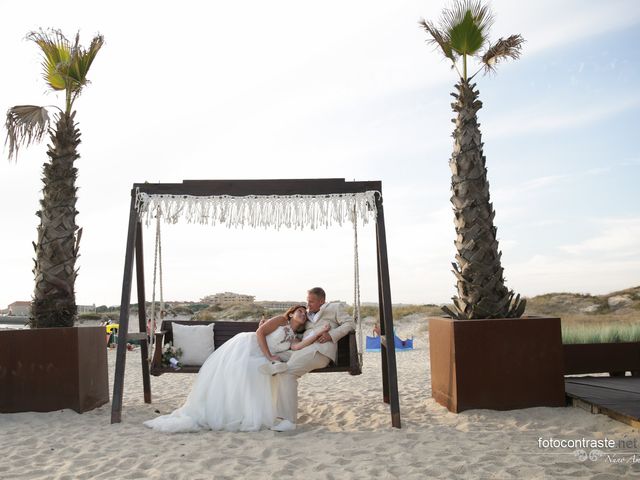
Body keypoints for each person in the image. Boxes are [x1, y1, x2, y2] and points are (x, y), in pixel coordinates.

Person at [143, 305, 328, 433]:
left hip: (261, 354)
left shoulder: (294, 337)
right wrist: (269, 356)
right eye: (299, 311)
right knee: (248, 367)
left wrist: (319, 332)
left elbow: (298, 346)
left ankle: (243, 412)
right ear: (291, 314)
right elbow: (260, 333)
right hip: (249, 345)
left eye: (305, 313)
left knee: (259, 370)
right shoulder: (281, 320)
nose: (302, 314)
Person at [260, 287, 354, 432]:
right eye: (307, 301)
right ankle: (276, 366)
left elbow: (350, 324)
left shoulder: (335, 307)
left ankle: (289, 421)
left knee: (287, 373)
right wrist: (267, 325)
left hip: (319, 351)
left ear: (322, 301)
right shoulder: (306, 315)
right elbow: (291, 330)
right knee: (265, 360)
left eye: (311, 301)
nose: (308, 304)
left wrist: (331, 335)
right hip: (301, 350)